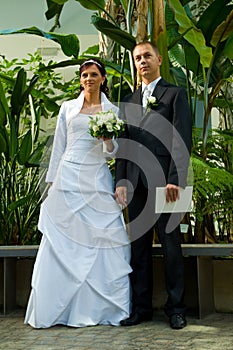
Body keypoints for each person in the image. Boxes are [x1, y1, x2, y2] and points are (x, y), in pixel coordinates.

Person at [24, 59, 132, 328]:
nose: (88, 78)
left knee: (107, 238)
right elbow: (59, 145)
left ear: (103, 78)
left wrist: (108, 140)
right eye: (84, 75)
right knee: (62, 240)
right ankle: (58, 308)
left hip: (96, 177)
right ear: (80, 79)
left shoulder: (112, 109)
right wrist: (52, 183)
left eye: (94, 74)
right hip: (68, 177)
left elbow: (114, 152)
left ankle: (101, 308)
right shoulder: (67, 108)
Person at [115, 41, 192, 329]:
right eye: (138, 58)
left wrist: (176, 181)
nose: (143, 61)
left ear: (159, 59)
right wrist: (121, 182)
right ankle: (141, 308)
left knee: (172, 247)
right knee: (139, 248)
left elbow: (181, 141)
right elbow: (124, 144)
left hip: (166, 184)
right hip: (135, 185)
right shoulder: (130, 100)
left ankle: (176, 309)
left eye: (147, 56)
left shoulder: (175, 95)